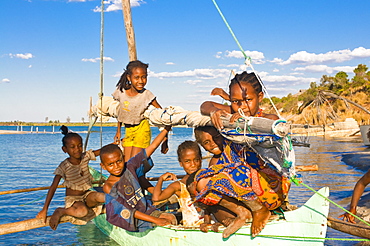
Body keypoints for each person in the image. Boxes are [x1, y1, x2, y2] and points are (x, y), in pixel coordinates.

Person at [199, 71, 291, 236]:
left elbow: (270, 128)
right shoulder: (233, 112)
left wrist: (242, 124)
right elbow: (205, 105)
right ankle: (244, 212)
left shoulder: (268, 119)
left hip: (269, 187)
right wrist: (214, 111)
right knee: (201, 182)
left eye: (248, 100)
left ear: (260, 96)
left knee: (227, 175)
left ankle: (260, 210)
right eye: (236, 102)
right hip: (242, 184)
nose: (242, 107)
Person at [101, 125, 177, 232]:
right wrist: (155, 220)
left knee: (171, 217)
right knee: (168, 219)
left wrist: (167, 128)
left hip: (145, 208)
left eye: (119, 161)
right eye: (110, 164)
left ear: (123, 158)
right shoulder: (109, 187)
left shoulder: (130, 166)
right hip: (130, 218)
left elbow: (153, 146)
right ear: (103, 166)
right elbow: (128, 210)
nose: (116, 166)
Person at [36, 126, 105, 230]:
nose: (77, 149)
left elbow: (102, 150)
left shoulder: (85, 156)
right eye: (72, 147)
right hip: (74, 201)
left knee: (101, 196)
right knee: (82, 211)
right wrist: (45, 209)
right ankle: (61, 211)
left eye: (79, 146)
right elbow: (53, 187)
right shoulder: (64, 166)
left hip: (87, 195)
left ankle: (117, 204)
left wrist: (119, 143)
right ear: (65, 149)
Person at [112, 60, 168, 162]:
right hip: (128, 130)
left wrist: (165, 139)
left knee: (134, 163)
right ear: (129, 77)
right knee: (126, 163)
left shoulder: (147, 95)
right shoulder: (121, 92)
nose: (141, 81)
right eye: (137, 77)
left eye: (144, 77)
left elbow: (162, 115)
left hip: (142, 129)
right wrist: (118, 131)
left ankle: (140, 176)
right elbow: (121, 112)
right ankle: (140, 178)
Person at [186, 168, 257, 238]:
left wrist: (233, 220)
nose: (197, 197)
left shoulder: (220, 193)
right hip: (225, 222)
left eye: (197, 193)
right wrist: (207, 223)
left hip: (242, 214)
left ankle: (242, 215)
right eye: (194, 196)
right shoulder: (208, 203)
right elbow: (207, 212)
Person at [151, 140, 203, 227]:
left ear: (201, 160)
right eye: (187, 161)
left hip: (209, 224)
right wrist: (160, 179)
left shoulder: (206, 179)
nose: (193, 164)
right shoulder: (179, 185)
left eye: (196, 160)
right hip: (192, 227)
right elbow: (156, 198)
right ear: (180, 163)